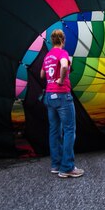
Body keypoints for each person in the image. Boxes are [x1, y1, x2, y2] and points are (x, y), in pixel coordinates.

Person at [40, 29, 84, 178]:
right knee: (69, 130)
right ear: (63, 41)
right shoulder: (62, 53)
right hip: (62, 95)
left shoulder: (47, 56)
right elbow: (64, 66)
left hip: (49, 96)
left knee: (54, 131)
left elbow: (41, 74)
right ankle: (67, 167)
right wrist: (60, 79)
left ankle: (56, 164)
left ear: (52, 41)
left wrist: (51, 78)